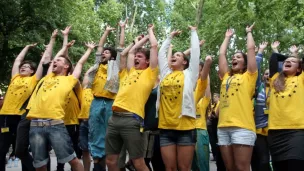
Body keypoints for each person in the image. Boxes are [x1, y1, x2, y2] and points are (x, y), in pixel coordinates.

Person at [26, 40, 96, 171]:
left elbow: (80, 63)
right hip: (35, 124)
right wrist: (64, 47)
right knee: (39, 164)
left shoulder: (70, 80)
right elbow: (52, 61)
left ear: (66, 67)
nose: (54, 62)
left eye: (58, 60)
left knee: (72, 160)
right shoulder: (47, 78)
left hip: (55, 125)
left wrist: (90, 50)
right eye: (54, 60)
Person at [157, 26, 211, 171]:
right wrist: (170, 37)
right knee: (170, 168)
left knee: (184, 168)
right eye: (174, 54)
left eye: (178, 55)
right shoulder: (165, 74)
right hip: (166, 128)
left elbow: (195, 54)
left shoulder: (190, 75)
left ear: (185, 62)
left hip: (185, 129)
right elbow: (161, 53)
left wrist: (193, 32)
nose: (174, 56)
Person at [105, 24, 158, 171]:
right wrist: (138, 42)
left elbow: (154, 46)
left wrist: (149, 32)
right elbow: (127, 53)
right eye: (136, 56)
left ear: (147, 61)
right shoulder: (129, 72)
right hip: (114, 118)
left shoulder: (150, 74)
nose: (136, 57)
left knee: (138, 163)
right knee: (110, 161)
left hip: (132, 120)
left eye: (140, 57)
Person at [0, 38, 47, 171]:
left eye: (26, 67)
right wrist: (26, 47)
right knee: (2, 147)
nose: (23, 68)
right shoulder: (15, 77)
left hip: (21, 117)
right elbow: (17, 61)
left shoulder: (33, 79)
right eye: (22, 67)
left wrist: (44, 53)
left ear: (32, 71)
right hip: (5, 116)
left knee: (20, 148)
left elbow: (42, 64)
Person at [217, 23, 257, 171]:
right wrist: (227, 38)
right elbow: (221, 54)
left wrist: (248, 32)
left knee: (242, 168)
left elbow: (251, 50)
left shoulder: (250, 76)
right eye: (233, 56)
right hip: (223, 127)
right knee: (230, 168)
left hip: (242, 127)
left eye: (238, 57)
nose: (234, 58)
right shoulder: (226, 76)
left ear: (245, 63)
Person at [88, 20, 126, 171]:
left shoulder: (115, 66)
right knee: (95, 130)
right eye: (103, 52)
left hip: (111, 102)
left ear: (112, 56)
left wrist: (122, 28)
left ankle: (112, 159)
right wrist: (106, 32)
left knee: (109, 133)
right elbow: (99, 47)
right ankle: (97, 160)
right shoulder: (98, 66)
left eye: (107, 52)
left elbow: (121, 48)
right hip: (97, 101)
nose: (103, 53)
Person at [267, 45, 304, 171]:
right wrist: (290, 57)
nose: (288, 62)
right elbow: (273, 57)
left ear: (299, 69)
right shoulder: (275, 80)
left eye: (293, 62)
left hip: (296, 131)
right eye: (286, 61)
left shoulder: (301, 79)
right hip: (275, 132)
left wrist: (295, 56)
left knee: (295, 166)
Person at [251, 42, 272, 171]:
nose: (268, 75)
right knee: (263, 160)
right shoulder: (259, 88)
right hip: (259, 130)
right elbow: (255, 71)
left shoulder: (279, 88)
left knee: (276, 159)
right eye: (265, 74)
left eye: (270, 73)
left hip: (275, 129)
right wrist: (260, 53)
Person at [192, 72, 212, 171]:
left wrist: (206, 73)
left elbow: (207, 88)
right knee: (191, 163)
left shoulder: (203, 101)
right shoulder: (187, 98)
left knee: (202, 162)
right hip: (187, 130)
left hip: (200, 131)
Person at [78, 66, 95, 171]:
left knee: (98, 149)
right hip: (83, 122)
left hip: (96, 123)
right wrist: (93, 67)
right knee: (84, 150)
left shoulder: (100, 92)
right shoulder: (84, 89)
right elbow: (86, 75)